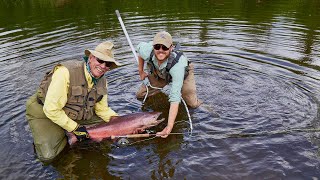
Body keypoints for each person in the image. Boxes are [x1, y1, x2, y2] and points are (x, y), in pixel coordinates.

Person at [26, 41, 121, 162]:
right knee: (48, 157)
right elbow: (51, 109)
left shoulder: (103, 81)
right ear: (91, 58)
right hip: (44, 111)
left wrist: (122, 123)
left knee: (107, 127)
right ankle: (48, 137)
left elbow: (102, 110)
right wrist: (75, 128)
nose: (103, 66)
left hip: (72, 113)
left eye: (107, 64)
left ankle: (66, 133)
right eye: (100, 60)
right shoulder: (65, 72)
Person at [136, 31, 202, 138]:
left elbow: (175, 98)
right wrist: (141, 71)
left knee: (192, 104)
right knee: (140, 95)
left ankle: (203, 106)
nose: (160, 50)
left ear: (171, 48)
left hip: (183, 75)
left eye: (165, 48)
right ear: (153, 47)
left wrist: (169, 126)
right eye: (157, 47)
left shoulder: (178, 67)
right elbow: (140, 53)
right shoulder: (147, 50)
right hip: (159, 72)